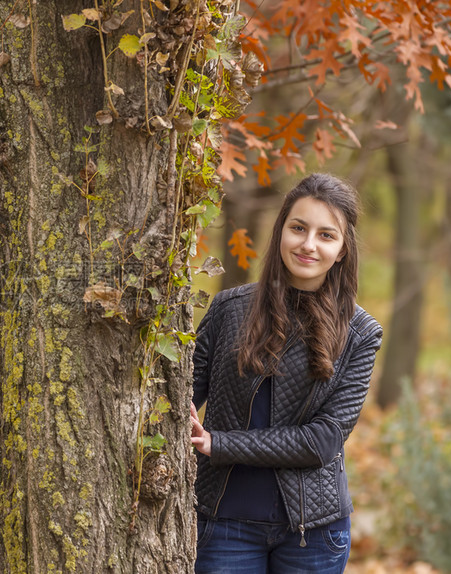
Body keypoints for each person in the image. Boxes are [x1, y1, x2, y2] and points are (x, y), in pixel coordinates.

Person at [190, 173, 383, 573]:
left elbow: (322, 441)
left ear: (343, 249)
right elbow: (179, 399)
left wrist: (218, 444)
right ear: (281, 231)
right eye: (298, 228)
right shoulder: (228, 310)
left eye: (326, 235)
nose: (309, 244)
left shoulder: (361, 334)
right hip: (224, 524)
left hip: (313, 534)